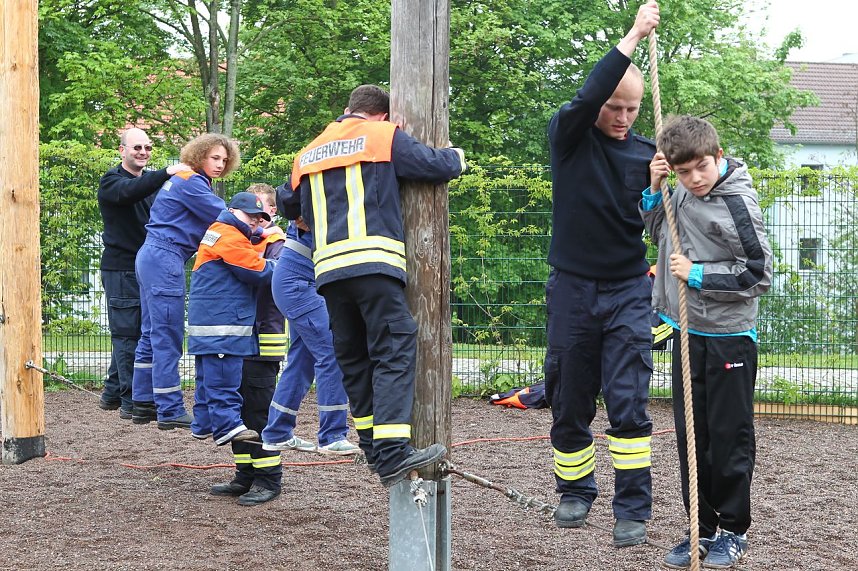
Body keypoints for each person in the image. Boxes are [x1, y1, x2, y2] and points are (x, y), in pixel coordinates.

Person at [289, 84, 466, 487]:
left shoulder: (309, 151)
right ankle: (392, 453)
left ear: (349, 109)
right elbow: (435, 165)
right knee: (393, 349)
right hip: (374, 262)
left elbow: (288, 202)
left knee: (354, 360)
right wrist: (456, 155)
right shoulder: (382, 136)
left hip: (329, 272)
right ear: (382, 116)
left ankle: (371, 446)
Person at [544, 1, 660, 547]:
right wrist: (634, 35)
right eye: (615, 106)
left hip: (628, 288)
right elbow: (590, 92)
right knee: (569, 395)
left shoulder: (647, 154)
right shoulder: (569, 137)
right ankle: (575, 492)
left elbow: (656, 218)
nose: (622, 117)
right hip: (571, 287)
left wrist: (658, 189)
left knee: (628, 398)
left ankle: (633, 507)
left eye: (632, 109)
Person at [642, 115, 772, 569]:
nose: (694, 179)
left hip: (729, 338)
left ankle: (733, 530)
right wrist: (652, 186)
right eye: (683, 172)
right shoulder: (678, 188)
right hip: (686, 330)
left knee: (728, 437)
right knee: (690, 436)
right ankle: (700, 527)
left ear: (718, 157)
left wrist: (695, 275)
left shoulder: (738, 202)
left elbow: (758, 275)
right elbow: (660, 231)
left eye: (701, 167)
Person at [131, 133, 240, 430]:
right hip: (166, 256)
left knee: (151, 332)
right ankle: (169, 409)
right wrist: (259, 227)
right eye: (214, 157)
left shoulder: (182, 180)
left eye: (224, 160)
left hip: (151, 255)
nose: (220, 164)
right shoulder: (192, 182)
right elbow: (225, 216)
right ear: (200, 155)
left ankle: (142, 402)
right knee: (167, 335)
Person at [97, 128, 191, 419]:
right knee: (128, 335)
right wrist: (167, 172)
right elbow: (130, 192)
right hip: (122, 268)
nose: (143, 152)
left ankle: (113, 393)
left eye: (148, 148)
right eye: (137, 147)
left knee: (136, 332)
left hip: (146, 268)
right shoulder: (112, 182)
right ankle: (130, 403)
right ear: (122, 150)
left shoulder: (150, 186)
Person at [261, 182, 359, 458]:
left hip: (300, 283)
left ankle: (277, 432)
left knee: (302, 362)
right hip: (298, 284)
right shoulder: (322, 195)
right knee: (332, 352)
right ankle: (332, 436)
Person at [209, 184, 285, 506]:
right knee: (238, 412)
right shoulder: (240, 240)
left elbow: (271, 279)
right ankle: (244, 474)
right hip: (236, 338)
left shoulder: (278, 243)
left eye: (261, 214)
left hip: (262, 340)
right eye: (248, 215)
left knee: (259, 412)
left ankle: (269, 479)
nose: (254, 221)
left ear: (272, 214)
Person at [187, 191, 274, 451]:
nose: (255, 223)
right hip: (222, 326)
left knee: (206, 379)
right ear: (234, 211)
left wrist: (258, 236)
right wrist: (286, 267)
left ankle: (203, 422)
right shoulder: (229, 236)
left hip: (208, 324)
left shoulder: (220, 231)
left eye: (259, 220)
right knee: (224, 378)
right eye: (251, 217)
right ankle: (227, 426)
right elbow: (255, 270)